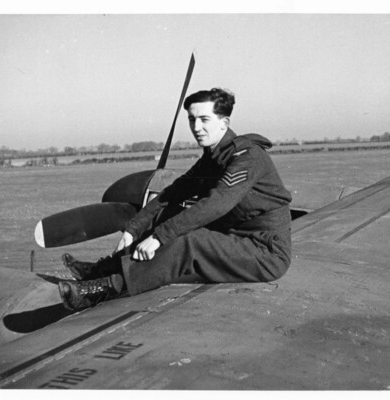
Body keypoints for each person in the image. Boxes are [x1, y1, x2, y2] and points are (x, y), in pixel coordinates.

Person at [58, 88, 292, 311]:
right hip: (234, 239)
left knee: (188, 240)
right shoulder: (214, 157)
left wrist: (160, 237)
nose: (196, 127)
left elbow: (216, 203)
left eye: (204, 119)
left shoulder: (247, 157)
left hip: (264, 252)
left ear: (224, 122)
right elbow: (173, 193)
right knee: (166, 213)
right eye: (192, 120)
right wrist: (133, 228)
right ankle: (103, 269)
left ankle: (105, 288)